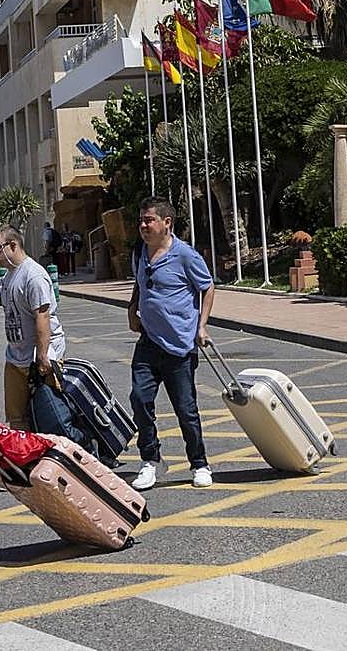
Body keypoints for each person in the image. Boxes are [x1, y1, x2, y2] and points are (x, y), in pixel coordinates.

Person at [127, 197, 216, 490]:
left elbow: (207, 287)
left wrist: (201, 326)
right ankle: (150, 460)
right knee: (139, 399)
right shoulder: (139, 251)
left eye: (149, 220)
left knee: (185, 409)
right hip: (149, 341)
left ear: (167, 223)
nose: (143, 225)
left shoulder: (185, 255)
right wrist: (132, 309)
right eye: (141, 220)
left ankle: (199, 463)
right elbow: (140, 284)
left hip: (179, 345)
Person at [0, 225, 67, 431]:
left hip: (39, 357)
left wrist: (42, 357)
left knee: (49, 415)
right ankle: (24, 460)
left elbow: (42, 316)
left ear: (12, 245)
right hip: (16, 356)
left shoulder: (33, 276)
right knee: (17, 418)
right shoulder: (7, 278)